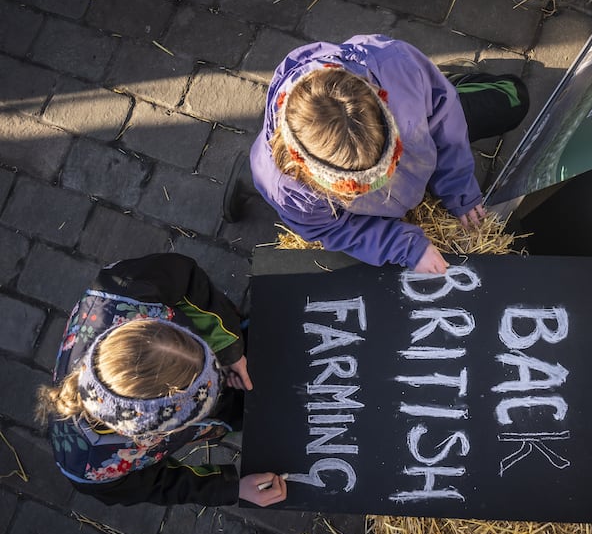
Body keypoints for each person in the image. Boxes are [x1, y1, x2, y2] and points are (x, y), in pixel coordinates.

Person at [228, 34, 529, 273]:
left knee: (514, 98)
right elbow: (336, 229)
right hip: (282, 180)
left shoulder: (393, 64)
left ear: (379, 100)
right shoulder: (292, 191)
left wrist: (457, 187)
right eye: (360, 188)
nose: (385, 182)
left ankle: (451, 81)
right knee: (267, 181)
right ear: (308, 174)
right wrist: (405, 246)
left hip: (418, 106)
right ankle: (248, 176)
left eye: (393, 155)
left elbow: (443, 116)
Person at [35, 253, 287, 507]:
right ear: (160, 429)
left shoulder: (122, 288)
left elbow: (187, 279)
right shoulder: (91, 469)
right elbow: (159, 486)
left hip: (223, 349)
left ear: (150, 327)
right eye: (203, 396)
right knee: (239, 412)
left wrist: (229, 350)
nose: (218, 381)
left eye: (204, 357)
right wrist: (232, 489)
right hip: (213, 418)